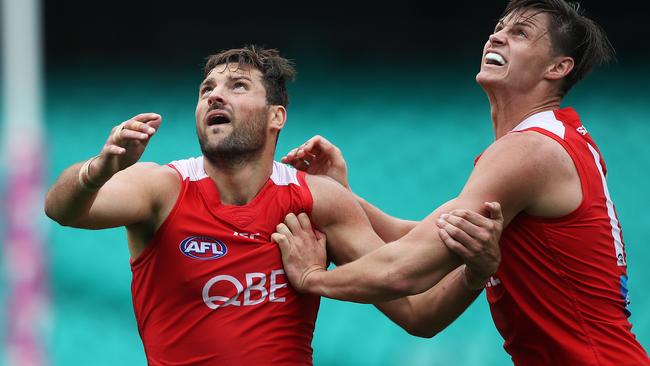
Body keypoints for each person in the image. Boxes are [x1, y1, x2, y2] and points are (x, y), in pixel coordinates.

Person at [44, 46, 503, 365]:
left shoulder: (315, 200)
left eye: (238, 86)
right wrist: (100, 167)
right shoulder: (162, 188)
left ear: (276, 116)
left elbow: (419, 315)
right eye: (206, 89)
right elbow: (62, 209)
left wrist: (476, 272)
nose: (214, 96)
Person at [274, 1, 650, 365]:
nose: (496, 38)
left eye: (519, 33)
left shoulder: (529, 151)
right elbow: (419, 238)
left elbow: (404, 270)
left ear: (558, 67)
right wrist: (341, 198)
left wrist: (312, 278)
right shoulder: (546, 143)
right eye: (498, 29)